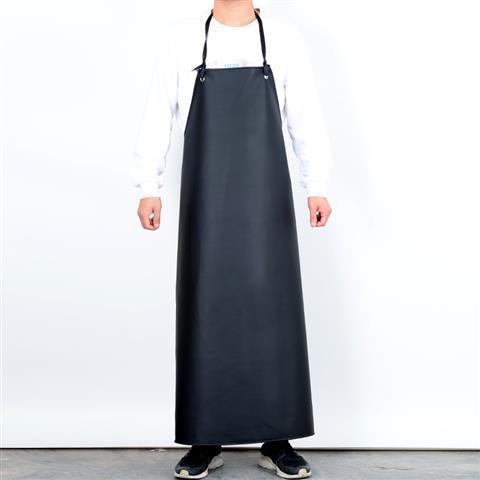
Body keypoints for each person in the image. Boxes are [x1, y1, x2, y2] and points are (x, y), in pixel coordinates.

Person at [131, 1, 332, 478]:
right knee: (206, 307)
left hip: (266, 194)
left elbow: (304, 114)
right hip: (206, 196)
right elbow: (158, 113)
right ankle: (204, 439)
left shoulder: (283, 38)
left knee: (272, 308)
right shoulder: (182, 39)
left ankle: (277, 438)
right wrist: (147, 186)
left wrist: (317, 184)